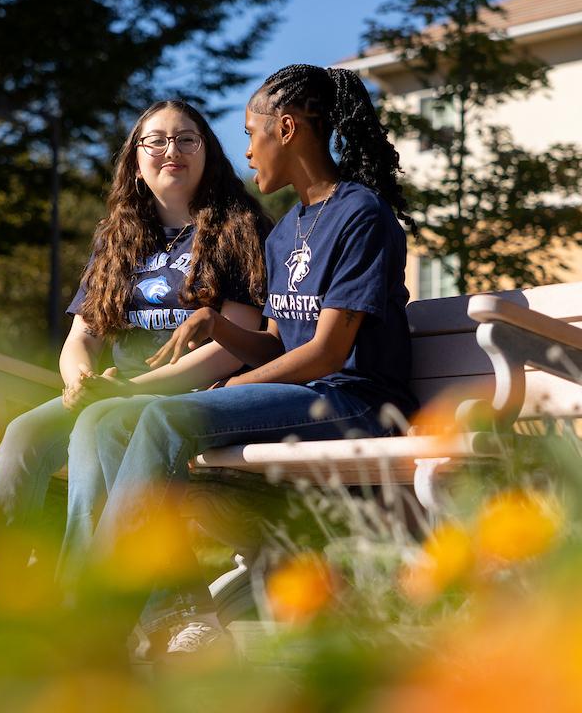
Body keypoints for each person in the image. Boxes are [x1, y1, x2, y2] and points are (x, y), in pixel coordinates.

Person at [75, 64, 420, 656]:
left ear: (285, 129)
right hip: (309, 396)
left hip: (358, 402)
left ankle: (95, 622)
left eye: (249, 132)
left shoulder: (360, 214)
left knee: (163, 416)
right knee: (111, 421)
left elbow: (328, 352)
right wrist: (220, 329)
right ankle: (177, 608)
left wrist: (219, 393)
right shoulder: (286, 231)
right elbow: (282, 342)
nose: (246, 152)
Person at [0, 100, 270, 627]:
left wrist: (132, 390)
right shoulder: (120, 237)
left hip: (190, 398)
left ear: (208, 152)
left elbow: (235, 344)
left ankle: (80, 609)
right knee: (26, 432)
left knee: (93, 433)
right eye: (157, 140)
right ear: (135, 159)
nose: (172, 150)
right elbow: (81, 336)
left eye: (188, 139)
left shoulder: (239, 229)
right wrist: (79, 382)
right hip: (110, 390)